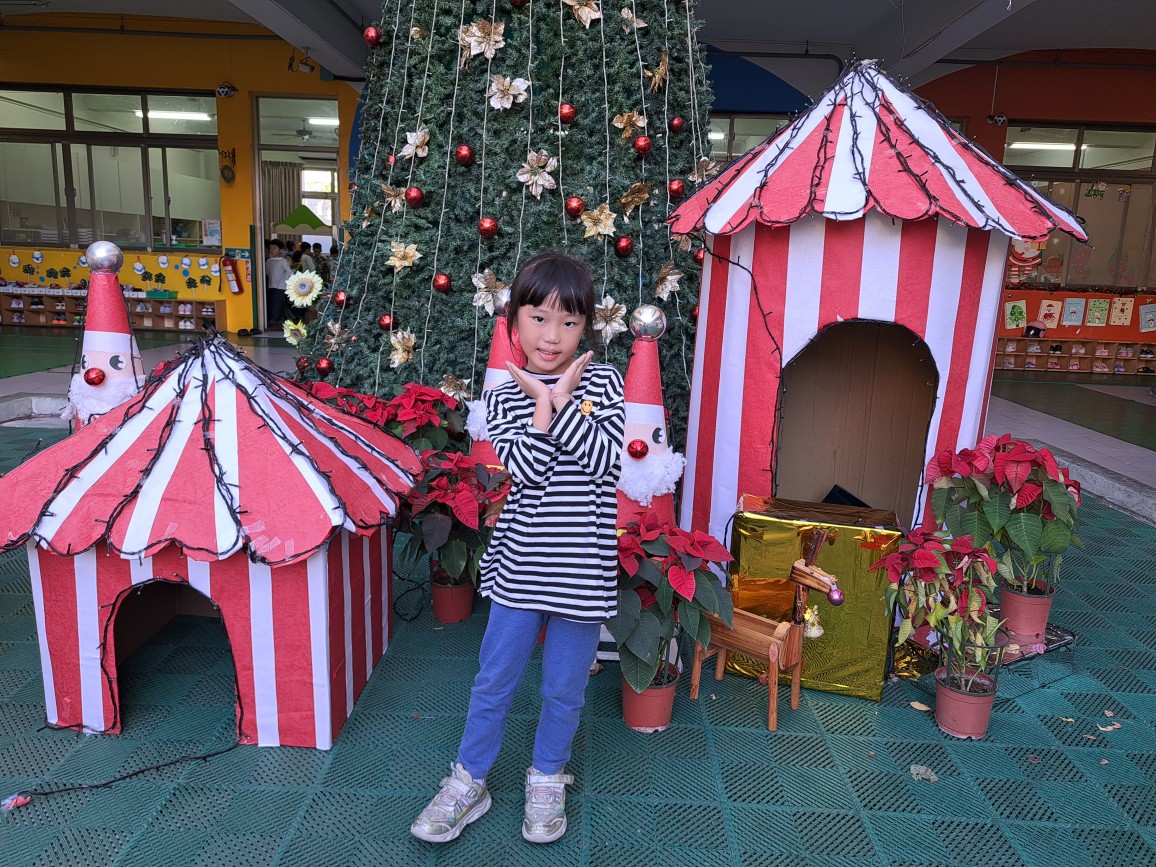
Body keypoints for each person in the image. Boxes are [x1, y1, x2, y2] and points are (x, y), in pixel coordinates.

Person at [410, 251, 624, 846]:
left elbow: (605, 462)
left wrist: (560, 401)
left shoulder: (605, 383)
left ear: (586, 328)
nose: (552, 336)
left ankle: (547, 776)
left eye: (568, 322)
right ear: (514, 323)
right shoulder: (504, 395)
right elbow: (527, 472)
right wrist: (542, 404)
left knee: (564, 688)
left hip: (582, 571)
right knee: (494, 680)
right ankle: (469, 781)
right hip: (520, 567)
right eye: (539, 318)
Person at [264, 239, 292, 329]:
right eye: (270, 248)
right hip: (270, 286)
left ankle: (274, 320)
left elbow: (290, 273)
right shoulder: (268, 261)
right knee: (272, 303)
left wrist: (288, 283)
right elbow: (266, 273)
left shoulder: (283, 261)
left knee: (277, 304)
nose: (272, 250)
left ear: (280, 250)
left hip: (280, 287)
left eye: (274, 248)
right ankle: (277, 320)